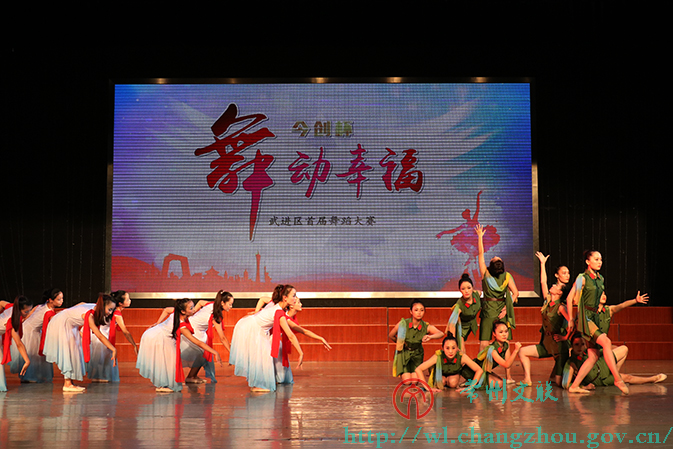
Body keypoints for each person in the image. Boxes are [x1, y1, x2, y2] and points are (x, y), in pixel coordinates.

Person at [565, 250, 635, 395]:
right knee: (606, 342)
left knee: (593, 355)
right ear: (587, 261)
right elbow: (571, 298)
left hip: (594, 317)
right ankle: (617, 379)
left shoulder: (600, 278)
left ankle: (574, 386)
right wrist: (571, 318)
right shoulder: (582, 278)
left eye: (601, 259)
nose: (599, 262)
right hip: (585, 317)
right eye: (596, 259)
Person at [229, 284, 304, 392]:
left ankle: (257, 384)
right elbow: (291, 336)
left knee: (262, 356)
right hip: (252, 328)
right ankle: (258, 385)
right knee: (262, 356)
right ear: (285, 298)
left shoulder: (276, 306)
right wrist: (301, 353)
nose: (295, 298)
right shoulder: (279, 312)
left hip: (254, 327)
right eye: (293, 295)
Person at [136, 298, 222, 393]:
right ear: (183, 311)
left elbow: (166, 310)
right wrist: (215, 352)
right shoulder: (181, 325)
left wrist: (158, 323)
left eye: (193, 307)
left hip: (160, 335)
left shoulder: (177, 312)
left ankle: (165, 384)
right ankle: (162, 385)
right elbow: (198, 342)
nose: (194, 310)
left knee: (172, 360)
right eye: (191, 308)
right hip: (157, 337)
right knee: (168, 361)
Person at [43, 294, 117, 392]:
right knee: (68, 351)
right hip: (62, 323)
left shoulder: (94, 306)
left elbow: (81, 303)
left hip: (70, 324)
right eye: (109, 309)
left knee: (75, 350)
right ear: (102, 307)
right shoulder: (89, 315)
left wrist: (69, 312)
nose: (110, 312)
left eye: (112, 310)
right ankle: (67, 384)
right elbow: (99, 335)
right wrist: (113, 348)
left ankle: (69, 382)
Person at [518, 252, 571, 387]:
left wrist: (565, 337)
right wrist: (542, 264)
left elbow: (572, 322)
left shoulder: (561, 307)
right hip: (547, 344)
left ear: (560, 292)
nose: (553, 286)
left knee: (559, 382)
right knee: (522, 351)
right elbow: (543, 282)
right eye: (564, 273)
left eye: (556, 286)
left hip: (559, 347)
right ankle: (527, 379)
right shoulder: (548, 301)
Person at [475, 223, 518, 383]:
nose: (494, 256)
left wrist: (480, 237)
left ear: (491, 266)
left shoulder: (485, 274)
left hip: (488, 311)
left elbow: (480, 254)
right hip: (501, 311)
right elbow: (516, 293)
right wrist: (506, 309)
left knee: (484, 343)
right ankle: (508, 377)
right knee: (505, 344)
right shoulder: (507, 276)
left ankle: (481, 375)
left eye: (494, 259)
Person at [562, 333, 666, 389]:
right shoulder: (571, 362)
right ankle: (652, 379)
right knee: (627, 377)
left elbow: (604, 350)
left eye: (582, 344)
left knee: (624, 349)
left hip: (603, 365)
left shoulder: (589, 352)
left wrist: (610, 348)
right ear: (572, 346)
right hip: (600, 379)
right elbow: (565, 384)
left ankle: (615, 372)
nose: (580, 347)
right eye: (576, 344)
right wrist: (583, 387)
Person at [272, 296, 332, 385]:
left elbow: (304, 331)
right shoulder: (286, 318)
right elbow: (300, 332)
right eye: (298, 302)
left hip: (278, 343)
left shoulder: (292, 316)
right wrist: (301, 353)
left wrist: (321, 338)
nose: (301, 304)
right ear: (291, 306)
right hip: (273, 343)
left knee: (282, 378)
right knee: (280, 377)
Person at [181, 290, 235, 384]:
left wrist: (193, 313)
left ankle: (192, 376)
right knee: (203, 353)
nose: (231, 307)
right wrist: (233, 354)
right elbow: (222, 338)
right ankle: (190, 376)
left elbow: (200, 302)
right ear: (222, 303)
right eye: (230, 304)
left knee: (204, 353)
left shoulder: (212, 304)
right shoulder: (216, 316)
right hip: (193, 330)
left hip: (196, 329)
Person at [9, 288, 62, 383]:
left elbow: (28, 316)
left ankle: (30, 376)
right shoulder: (49, 312)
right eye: (59, 299)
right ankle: (30, 377)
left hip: (26, 328)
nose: (61, 301)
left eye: (62, 298)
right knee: (33, 355)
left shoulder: (40, 306)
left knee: (33, 355)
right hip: (31, 332)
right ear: (51, 300)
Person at [87, 290, 138, 383]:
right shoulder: (116, 313)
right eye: (127, 299)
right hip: (102, 337)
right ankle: (99, 377)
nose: (130, 301)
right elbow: (125, 331)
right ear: (120, 303)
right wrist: (134, 345)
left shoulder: (111, 310)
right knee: (102, 358)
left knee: (101, 359)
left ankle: (98, 376)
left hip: (99, 336)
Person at [389, 300, 444, 381]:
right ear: (411, 311)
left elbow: (441, 333)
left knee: (414, 381)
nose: (419, 313)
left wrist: (430, 337)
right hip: (405, 354)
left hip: (417, 354)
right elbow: (391, 335)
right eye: (416, 310)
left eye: (422, 310)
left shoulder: (425, 326)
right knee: (407, 381)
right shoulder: (403, 324)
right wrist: (400, 343)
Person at [413, 334, 483, 394]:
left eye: (453, 348)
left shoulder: (462, 356)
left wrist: (470, 387)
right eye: (447, 348)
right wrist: (427, 388)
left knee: (453, 382)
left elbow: (479, 370)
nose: (450, 351)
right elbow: (418, 369)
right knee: (441, 382)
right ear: (443, 348)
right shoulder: (438, 356)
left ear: (457, 348)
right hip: (440, 375)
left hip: (454, 375)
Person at [461, 321, 522, 390]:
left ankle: (472, 381)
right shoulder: (492, 349)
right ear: (494, 334)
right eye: (501, 332)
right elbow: (506, 365)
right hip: (473, 370)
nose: (504, 334)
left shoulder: (505, 345)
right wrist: (515, 350)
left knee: (500, 383)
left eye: (506, 331)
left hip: (485, 370)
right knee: (498, 384)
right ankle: (471, 381)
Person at [0, 296, 33, 392]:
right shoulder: (12, 321)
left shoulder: (12, 307)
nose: (28, 314)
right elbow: (19, 343)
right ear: (19, 309)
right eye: (26, 312)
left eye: (29, 311)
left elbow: (1, 302)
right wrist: (27, 360)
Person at [445, 274, 481, 353]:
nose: (466, 291)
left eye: (469, 288)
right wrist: (453, 340)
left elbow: (479, 292)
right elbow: (452, 324)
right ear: (460, 290)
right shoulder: (459, 305)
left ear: (472, 288)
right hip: (461, 328)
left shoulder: (477, 294)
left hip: (471, 323)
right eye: (463, 289)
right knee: (461, 350)